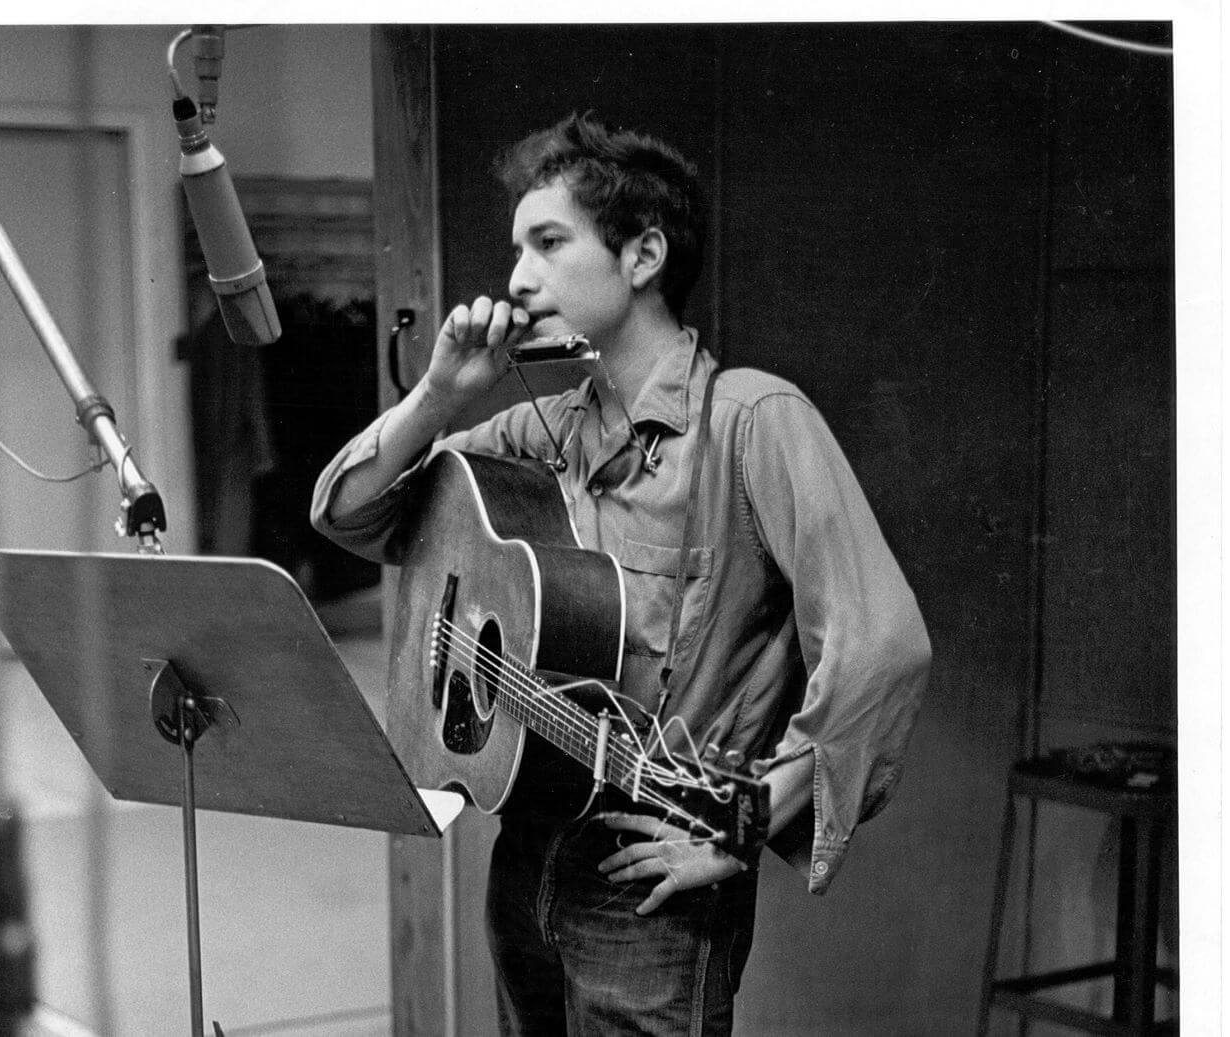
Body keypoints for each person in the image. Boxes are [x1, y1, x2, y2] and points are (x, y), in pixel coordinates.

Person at [310, 112, 931, 1036]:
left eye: (549, 243)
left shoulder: (755, 421)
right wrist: (440, 396)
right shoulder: (547, 426)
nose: (517, 278)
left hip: (652, 893)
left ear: (643, 255)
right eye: (517, 247)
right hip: (526, 856)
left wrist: (748, 817)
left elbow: (883, 644)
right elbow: (352, 515)